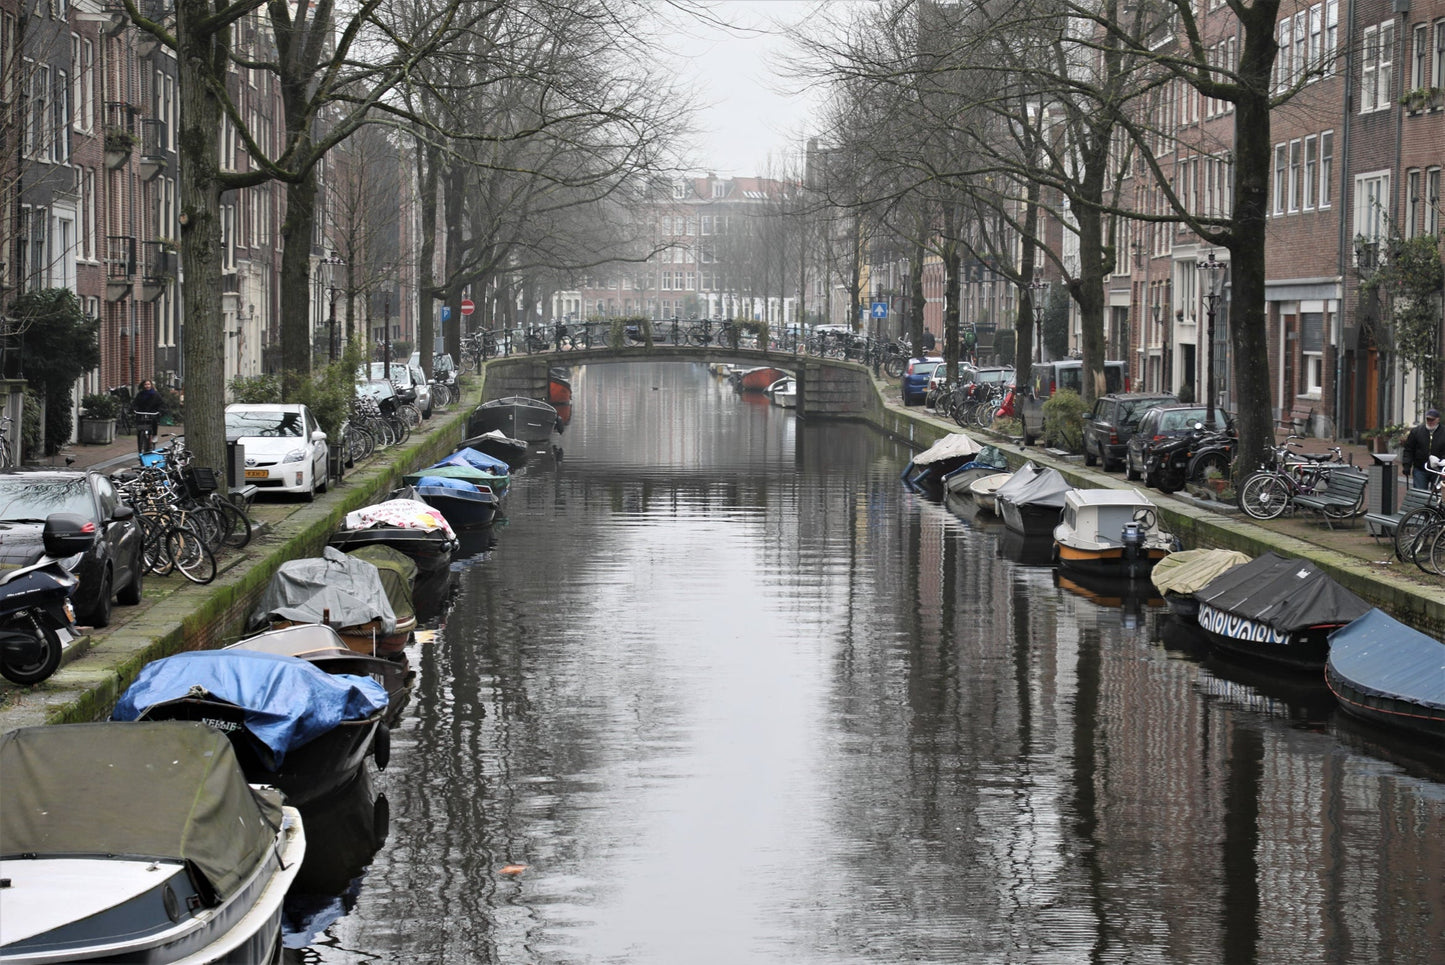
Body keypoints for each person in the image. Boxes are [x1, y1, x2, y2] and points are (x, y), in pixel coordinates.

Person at [1402, 408, 1445, 490]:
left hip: (1438, 470)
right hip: (1420, 468)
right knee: (1420, 493)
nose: (1430, 422)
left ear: (1438, 420)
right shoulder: (1416, 432)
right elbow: (1409, 449)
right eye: (1428, 419)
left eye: (1432, 420)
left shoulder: (1443, 432)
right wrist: (1407, 465)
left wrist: (1442, 461)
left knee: (1436, 493)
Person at [133, 380, 163, 453]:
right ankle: (140, 443)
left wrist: (159, 410)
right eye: (145, 384)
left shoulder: (156, 394)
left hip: (152, 412)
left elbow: (161, 403)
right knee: (140, 426)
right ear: (143, 386)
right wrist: (134, 409)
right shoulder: (140, 394)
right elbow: (135, 403)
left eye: (148, 384)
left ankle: (154, 435)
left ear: (151, 385)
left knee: (154, 421)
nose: (147, 386)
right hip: (142, 412)